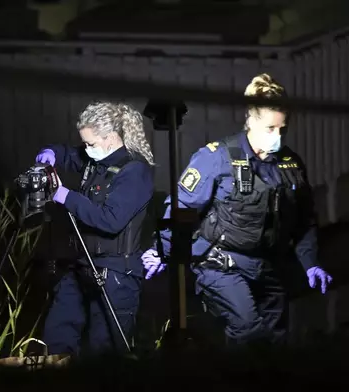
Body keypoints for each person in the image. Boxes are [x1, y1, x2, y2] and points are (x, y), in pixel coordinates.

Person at [141, 73, 333, 346]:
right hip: (221, 263)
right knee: (248, 330)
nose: (277, 137)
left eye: (283, 129)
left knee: (277, 339)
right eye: (270, 129)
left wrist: (311, 263)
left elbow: (304, 219)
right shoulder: (216, 157)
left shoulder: (290, 164)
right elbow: (182, 205)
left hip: (268, 265)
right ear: (251, 120)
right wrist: (162, 251)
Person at [35, 101, 154, 356]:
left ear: (110, 138)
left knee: (104, 350)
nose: (86, 150)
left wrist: (65, 195)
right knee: (58, 335)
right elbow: (69, 154)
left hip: (115, 273)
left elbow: (110, 220)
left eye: (91, 143)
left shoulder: (133, 171)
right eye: (85, 143)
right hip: (82, 264)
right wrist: (50, 154)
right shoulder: (95, 158)